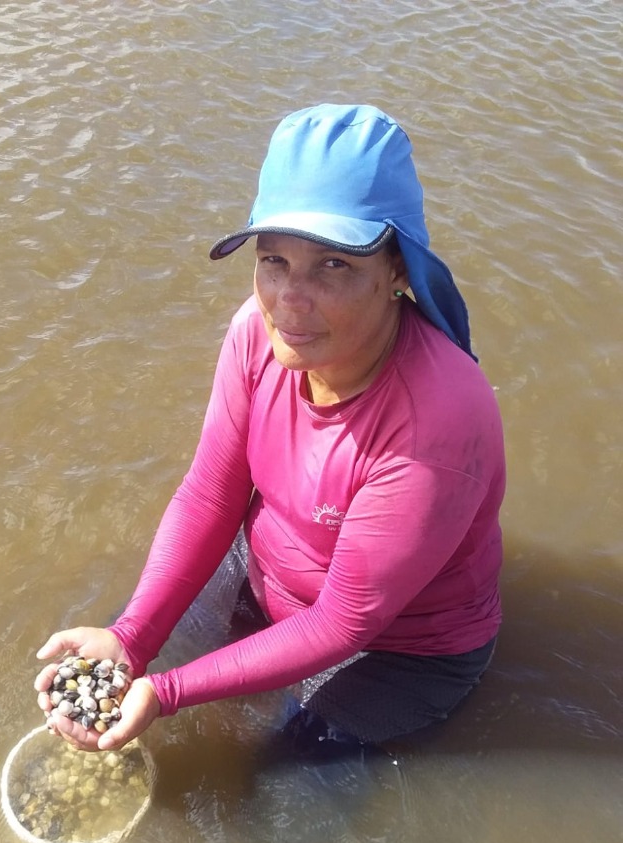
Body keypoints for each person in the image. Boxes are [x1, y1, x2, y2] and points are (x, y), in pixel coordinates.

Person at [35, 103, 505, 758]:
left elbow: (343, 623)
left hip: (395, 646)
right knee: (118, 661)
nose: (290, 299)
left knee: (275, 806)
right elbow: (209, 496)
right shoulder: (256, 335)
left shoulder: (440, 423)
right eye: (274, 260)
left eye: (333, 266)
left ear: (398, 269)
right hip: (272, 574)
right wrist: (134, 638)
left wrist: (168, 691)